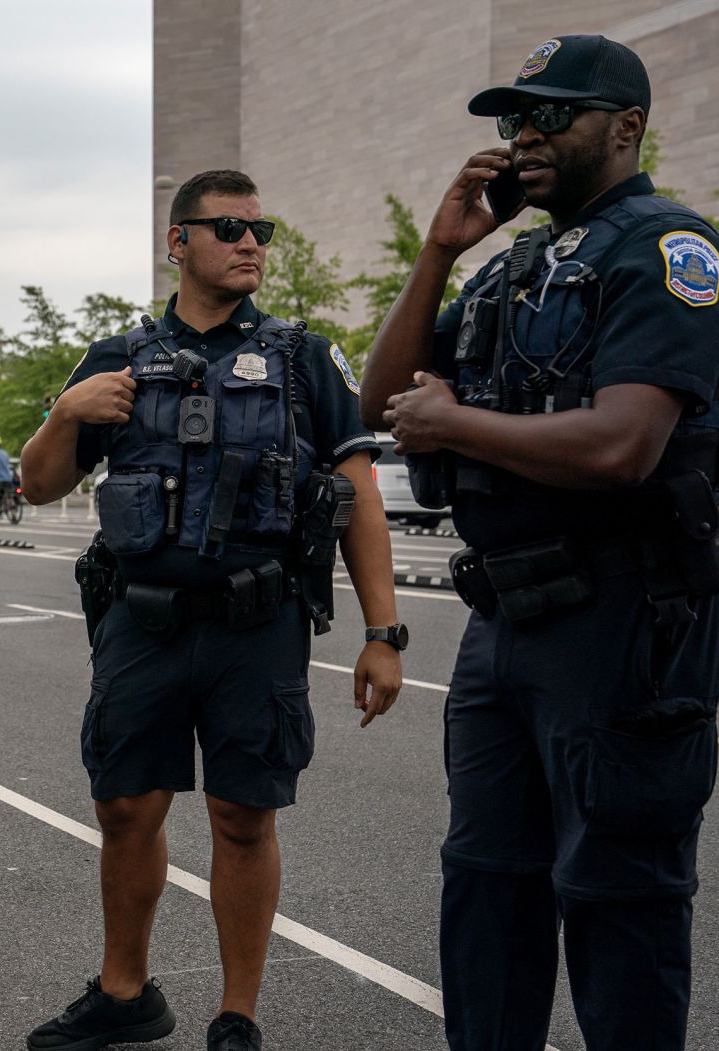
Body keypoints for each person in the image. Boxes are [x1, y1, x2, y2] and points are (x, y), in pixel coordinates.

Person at [361, 35, 719, 1050]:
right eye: (514, 118)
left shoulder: (666, 248)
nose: (524, 136)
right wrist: (439, 250)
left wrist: (455, 425)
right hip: (502, 625)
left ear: (625, 126)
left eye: (551, 115)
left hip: (623, 622)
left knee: (617, 903)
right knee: (485, 892)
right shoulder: (513, 265)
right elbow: (380, 399)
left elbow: (622, 443)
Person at [20, 169, 404, 1051]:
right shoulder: (114, 357)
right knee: (126, 805)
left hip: (255, 625)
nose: (250, 243)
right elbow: (40, 486)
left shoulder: (305, 356)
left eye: (260, 230)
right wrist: (66, 411)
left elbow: (359, 495)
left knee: (242, 814)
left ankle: (238, 1012)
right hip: (141, 620)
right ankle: (125, 994)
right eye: (228, 227)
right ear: (177, 242)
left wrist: (384, 635)